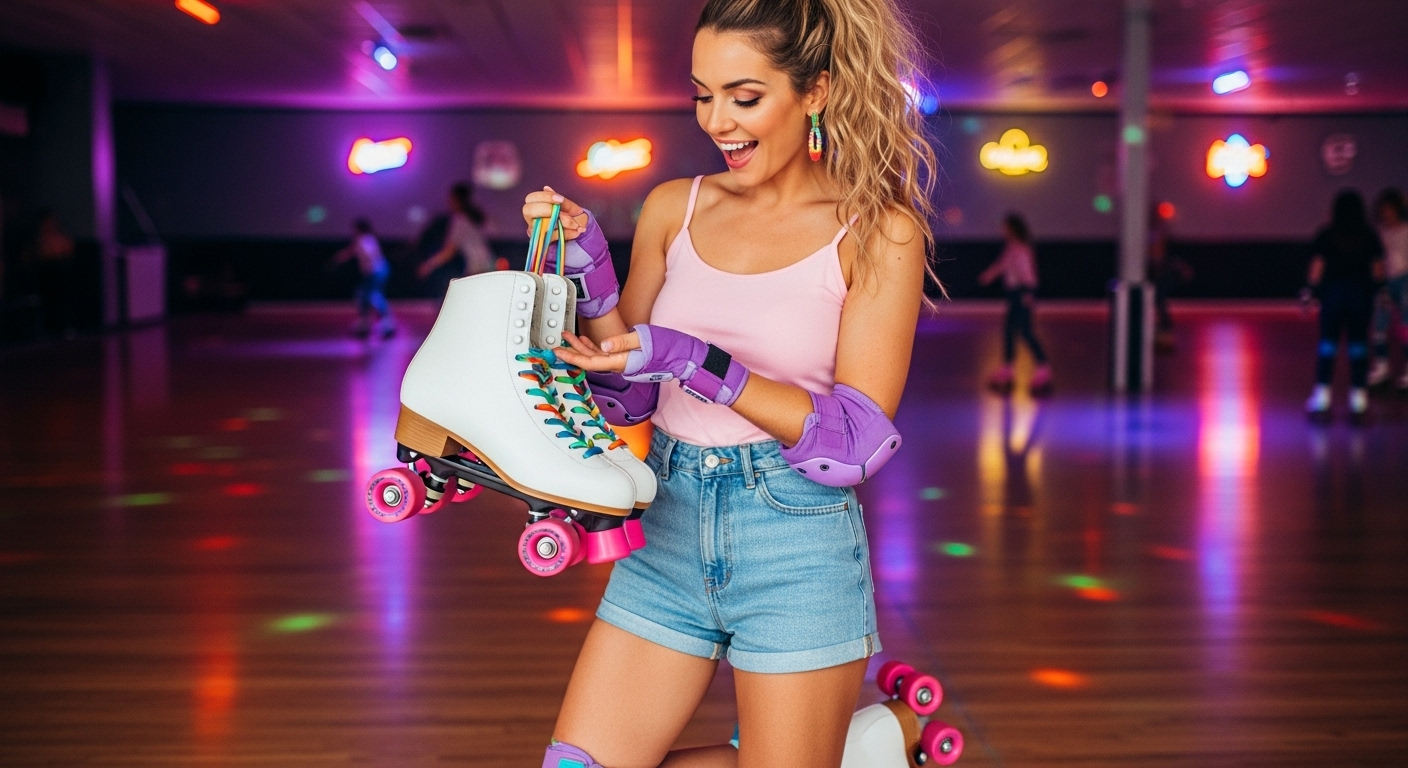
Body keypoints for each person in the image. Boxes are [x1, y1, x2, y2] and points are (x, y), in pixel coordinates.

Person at [521, 0, 936, 764]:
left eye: (745, 97)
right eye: (703, 95)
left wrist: (694, 357)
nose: (718, 121)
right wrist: (587, 266)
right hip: (668, 522)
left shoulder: (879, 230)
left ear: (816, 92)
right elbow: (633, 389)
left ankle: (866, 746)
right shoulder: (673, 207)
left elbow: (854, 441)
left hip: (795, 537)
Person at [1305, 190, 1386, 419]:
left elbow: (1317, 268)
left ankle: (1322, 397)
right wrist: (1381, 291)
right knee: (1358, 346)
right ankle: (1358, 399)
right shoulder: (1369, 235)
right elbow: (1377, 268)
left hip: (1332, 297)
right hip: (1360, 297)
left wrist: (1310, 291)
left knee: (1327, 346)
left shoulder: (1327, 235)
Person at [978, 212, 1051, 394]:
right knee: (1009, 331)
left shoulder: (1021, 249)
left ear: (1012, 228)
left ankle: (1043, 367)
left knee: (1025, 332)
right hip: (1015, 294)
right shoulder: (1012, 247)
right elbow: (1002, 265)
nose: (1002, 230)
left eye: (1004, 227)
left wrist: (1027, 293)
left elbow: (1026, 273)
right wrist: (989, 275)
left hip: (1022, 293)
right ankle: (1008, 368)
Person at [1368, 188, 1408, 389]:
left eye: (1390, 209)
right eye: (1383, 210)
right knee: (1379, 326)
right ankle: (1382, 368)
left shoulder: (1406, 231)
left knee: (1405, 326)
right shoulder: (1379, 233)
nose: (1386, 214)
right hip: (1384, 283)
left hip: (1405, 281)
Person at [332, 217, 395, 338]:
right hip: (377, 271)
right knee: (364, 295)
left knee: (372, 295)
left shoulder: (365, 239)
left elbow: (368, 253)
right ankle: (368, 324)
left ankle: (385, 325)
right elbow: (351, 252)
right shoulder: (364, 240)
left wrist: (369, 265)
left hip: (376, 272)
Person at [416, 182, 494, 280]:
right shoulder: (470, 219)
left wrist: (428, 265)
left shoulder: (461, 221)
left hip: (478, 268)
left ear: (457, 200)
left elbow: (448, 252)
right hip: (487, 264)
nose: (448, 202)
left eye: (451, 198)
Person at [32, 209, 76, 338]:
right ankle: (48, 329)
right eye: (48, 221)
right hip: (45, 280)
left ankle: (64, 327)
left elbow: (69, 248)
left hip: (60, 279)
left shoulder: (60, 238)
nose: (51, 224)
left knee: (62, 302)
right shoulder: (39, 240)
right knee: (48, 305)